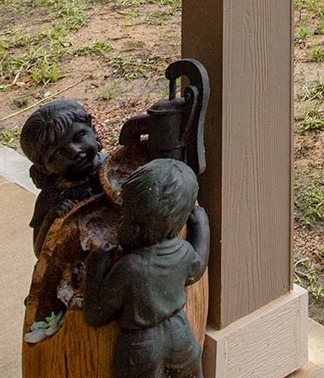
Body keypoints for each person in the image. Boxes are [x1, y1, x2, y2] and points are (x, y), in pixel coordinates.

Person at [82, 158, 211, 378]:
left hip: (141, 348)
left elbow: (96, 314)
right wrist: (202, 226)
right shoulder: (182, 252)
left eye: (124, 217)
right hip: (181, 337)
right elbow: (198, 267)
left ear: (136, 226)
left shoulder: (128, 268)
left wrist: (95, 269)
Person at [19, 99, 104, 256]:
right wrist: (51, 220)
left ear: (93, 129)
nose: (74, 152)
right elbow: (40, 252)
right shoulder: (53, 197)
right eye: (58, 154)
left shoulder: (113, 169)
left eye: (78, 137)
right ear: (44, 168)